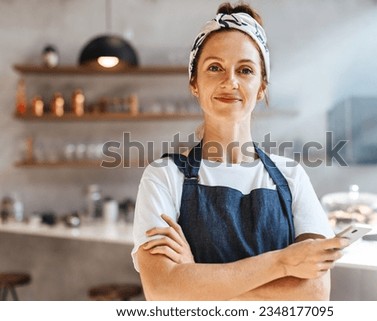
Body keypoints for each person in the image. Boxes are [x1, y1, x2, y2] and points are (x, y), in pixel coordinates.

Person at [132, 2, 348, 301]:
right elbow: (162, 289)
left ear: (261, 87)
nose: (229, 81)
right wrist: (283, 262)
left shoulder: (291, 177)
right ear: (194, 83)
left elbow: (314, 293)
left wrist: (195, 280)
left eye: (245, 70)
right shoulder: (163, 177)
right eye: (215, 68)